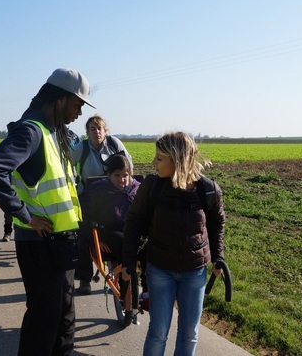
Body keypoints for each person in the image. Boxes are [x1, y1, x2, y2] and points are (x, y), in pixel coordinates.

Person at [0, 67, 95, 355]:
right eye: (78, 104)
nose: (80, 113)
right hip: (42, 245)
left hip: (60, 243)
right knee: (44, 323)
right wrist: (25, 215)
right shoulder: (31, 131)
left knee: (64, 320)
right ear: (59, 99)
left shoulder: (52, 133)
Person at [121, 132, 226, 356]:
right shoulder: (152, 187)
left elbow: (217, 223)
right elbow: (134, 222)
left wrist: (218, 257)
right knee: (158, 332)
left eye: (159, 158)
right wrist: (129, 260)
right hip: (160, 270)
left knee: (190, 333)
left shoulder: (207, 189)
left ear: (177, 159)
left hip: (195, 272)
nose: (153, 163)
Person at [76, 154, 145, 295]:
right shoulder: (98, 190)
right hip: (107, 232)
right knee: (123, 242)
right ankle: (125, 293)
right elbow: (84, 217)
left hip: (132, 232)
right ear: (108, 175)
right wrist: (94, 240)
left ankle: (147, 290)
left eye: (125, 175)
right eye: (117, 175)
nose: (122, 180)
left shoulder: (138, 190)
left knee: (147, 251)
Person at [70, 114, 133, 194]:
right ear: (87, 132)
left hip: (114, 194)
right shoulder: (81, 148)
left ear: (105, 131)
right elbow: (65, 165)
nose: (97, 132)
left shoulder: (114, 144)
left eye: (99, 128)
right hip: (89, 195)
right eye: (93, 129)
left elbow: (129, 165)